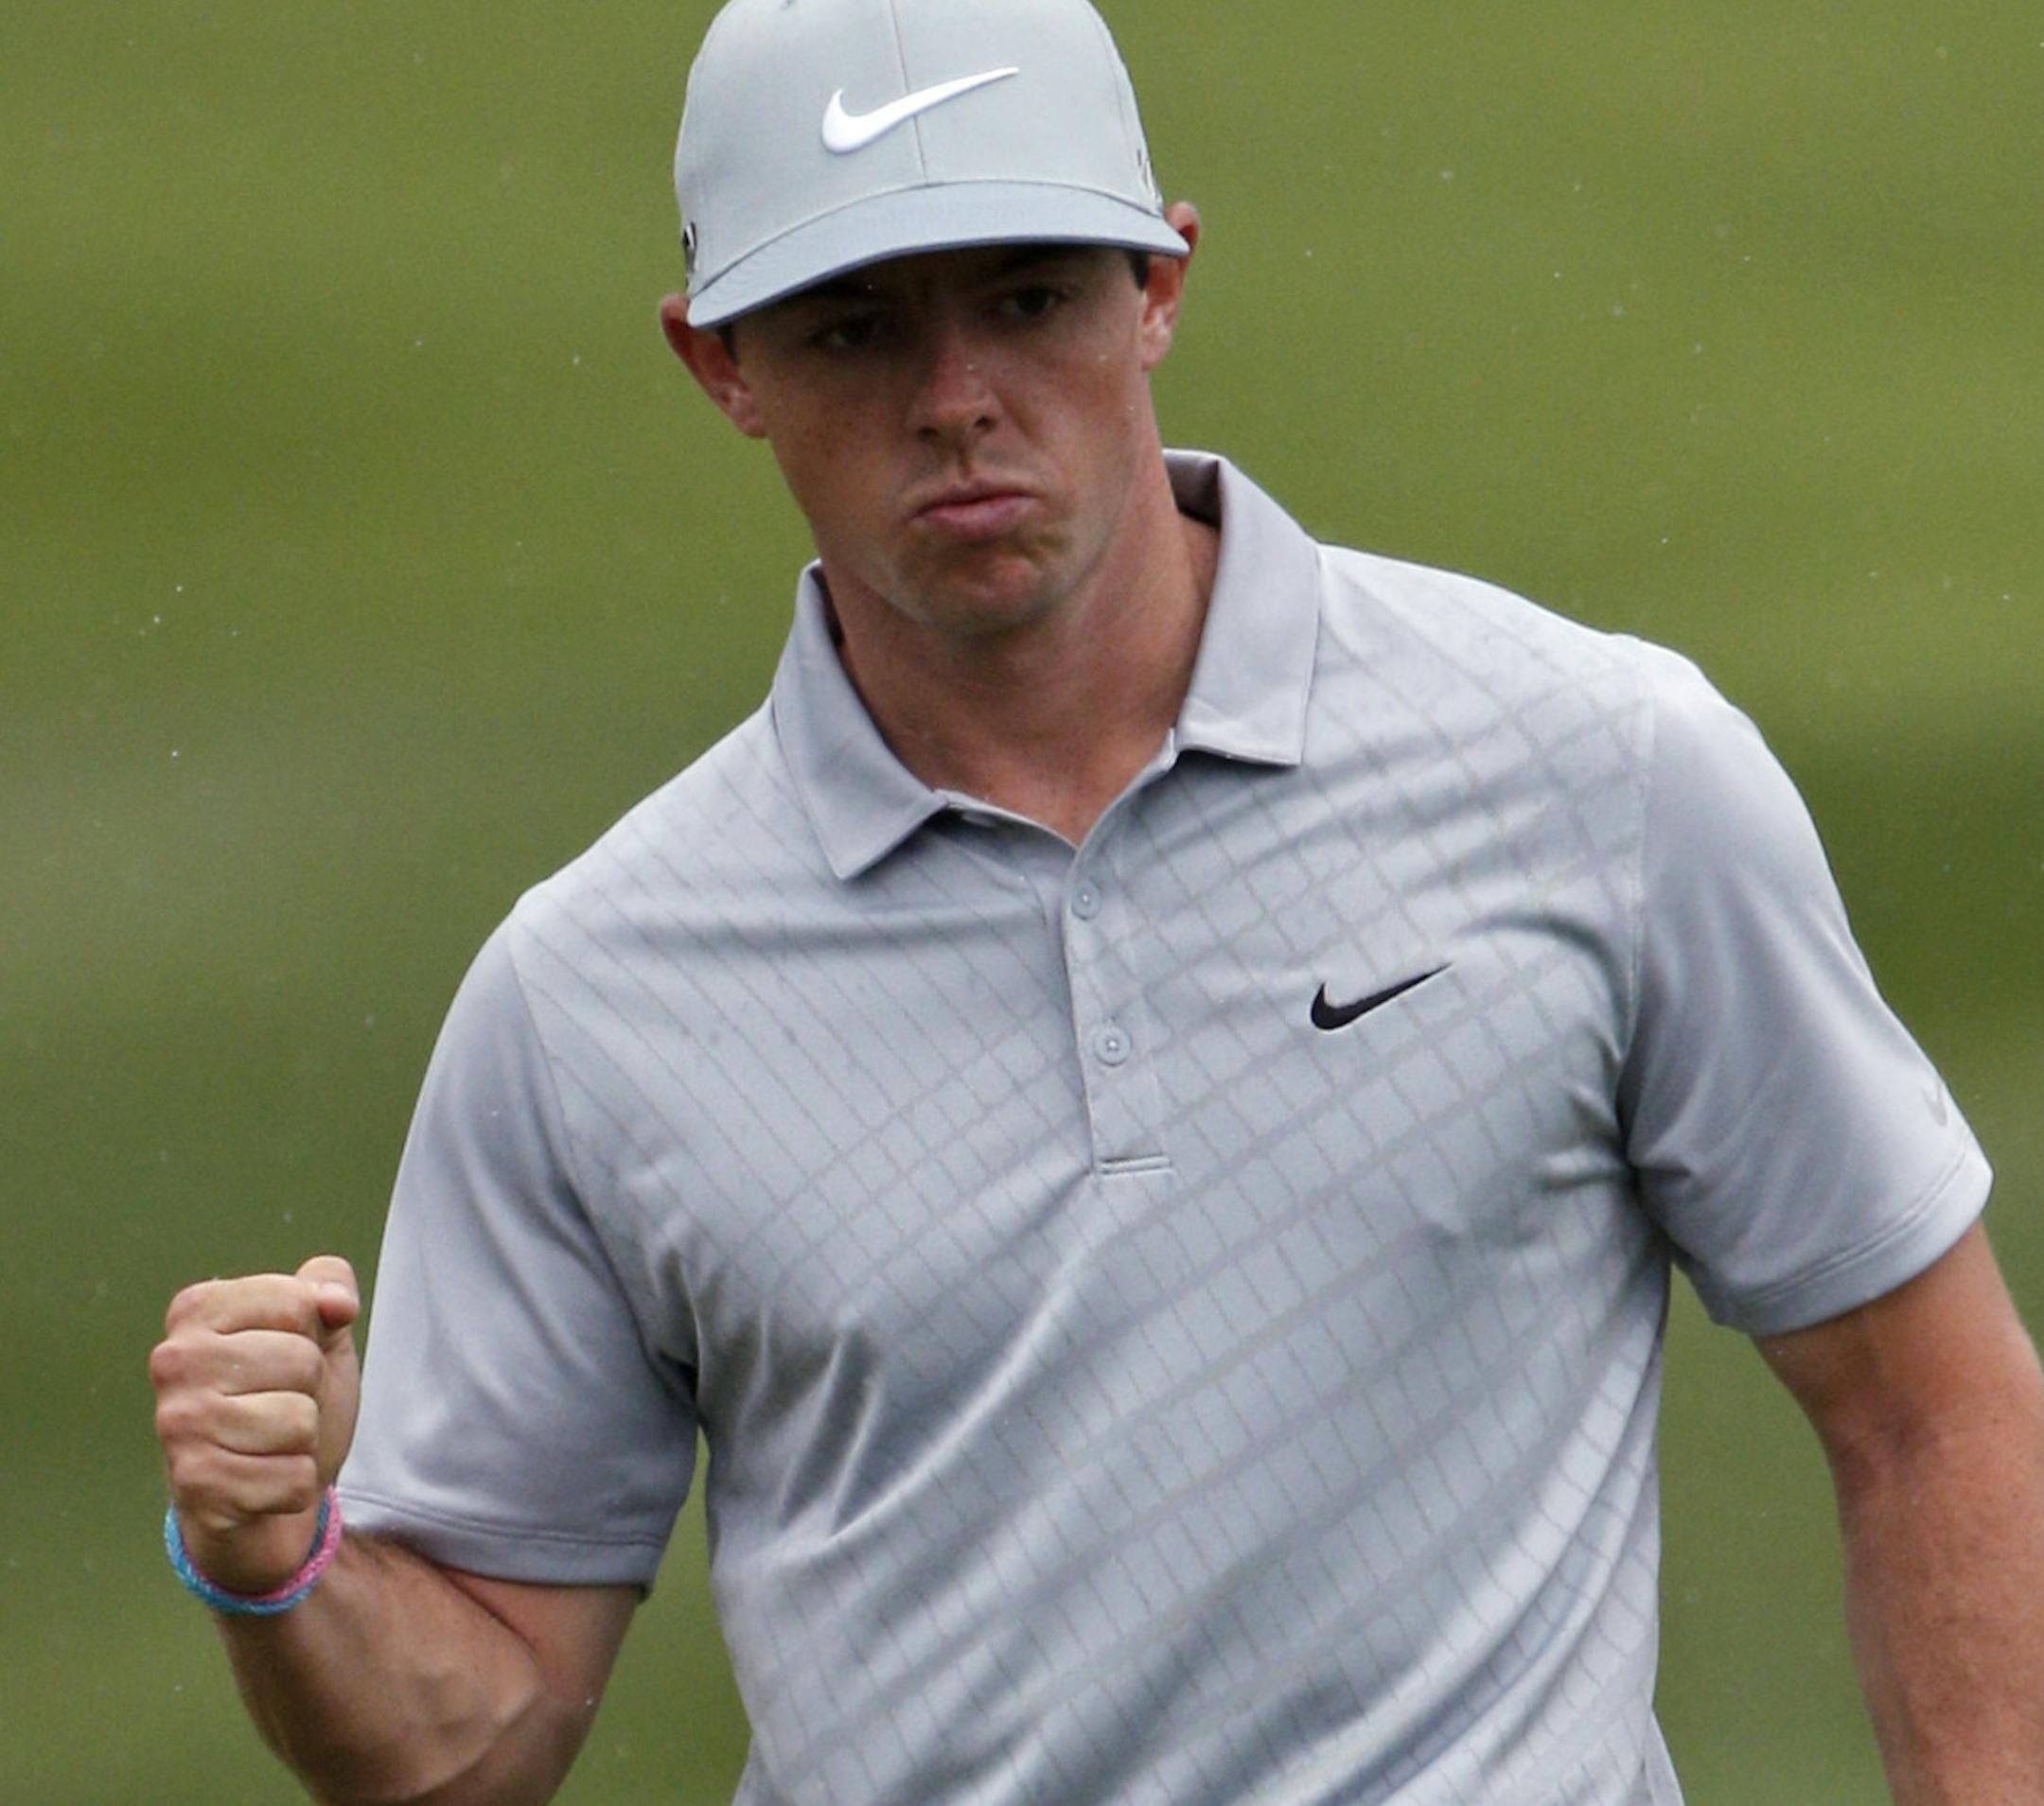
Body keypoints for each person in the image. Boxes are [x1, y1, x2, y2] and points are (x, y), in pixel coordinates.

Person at [148, 0, 2044, 1801]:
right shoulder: (593, 992)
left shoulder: (1595, 771)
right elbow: (471, 1737)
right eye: (851, 326)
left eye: (1029, 297)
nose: (958, 398)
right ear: (719, 364)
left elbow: (1934, 1406)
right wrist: (282, 1562)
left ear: (1161, 287)